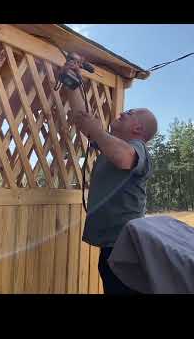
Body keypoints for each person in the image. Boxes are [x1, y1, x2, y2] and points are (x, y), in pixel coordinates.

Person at [59, 60, 158, 294]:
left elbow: (124, 157)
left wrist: (96, 130)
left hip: (126, 247)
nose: (123, 111)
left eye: (130, 113)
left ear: (138, 130)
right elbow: (82, 118)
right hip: (113, 246)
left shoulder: (137, 148)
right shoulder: (110, 144)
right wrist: (70, 80)